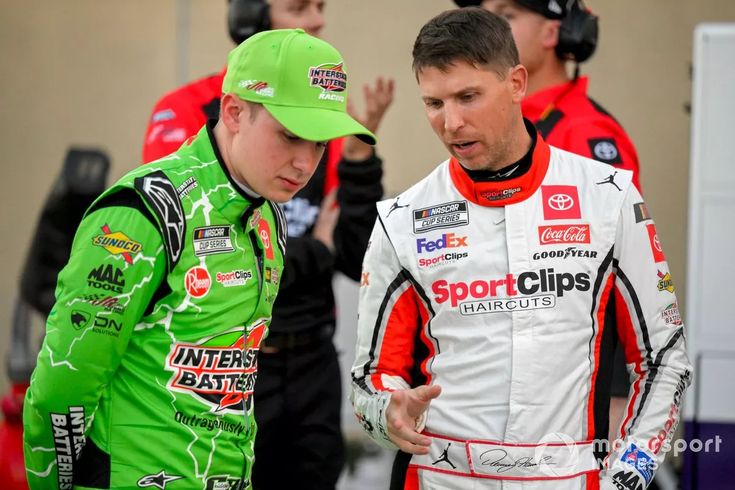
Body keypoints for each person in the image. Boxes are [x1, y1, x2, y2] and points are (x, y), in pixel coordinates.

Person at [351, 8, 691, 490]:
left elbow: (663, 357)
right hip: (440, 477)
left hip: (569, 476)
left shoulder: (608, 196)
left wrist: (628, 476)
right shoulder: (402, 220)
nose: (451, 122)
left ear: (516, 84)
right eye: (433, 103)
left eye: (469, 96)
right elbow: (370, 377)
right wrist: (385, 414)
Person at [23, 28, 374, 490]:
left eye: (320, 143)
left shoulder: (268, 214)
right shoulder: (143, 211)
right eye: (291, 136)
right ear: (233, 112)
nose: (306, 164)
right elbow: (62, 386)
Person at [142, 2, 393, 488]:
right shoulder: (183, 112)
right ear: (249, 15)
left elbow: (355, 255)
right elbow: (200, 250)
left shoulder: (324, 121)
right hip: (221, 367)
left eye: (321, 7)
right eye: (300, 6)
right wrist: (310, 253)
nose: (318, 20)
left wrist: (360, 162)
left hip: (312, 362)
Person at [455, 0, 641, 444]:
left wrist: (616, 392)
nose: (488, 24)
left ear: (553, 34)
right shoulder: (497, 129)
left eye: (506, 14)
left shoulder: (586, 133)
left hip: (574, 395)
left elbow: (623, 277)